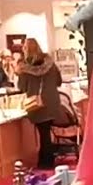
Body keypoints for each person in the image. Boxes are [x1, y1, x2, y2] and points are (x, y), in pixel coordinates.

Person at [17, 38, 70, 169]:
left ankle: (46, 161)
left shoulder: (24, 68)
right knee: (46, 132)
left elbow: (21, 87)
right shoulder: (50, 64)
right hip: (52, 102)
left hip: (36, 104)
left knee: (43, 132)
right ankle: (46, 159)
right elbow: (58, 81)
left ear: (25, 49)